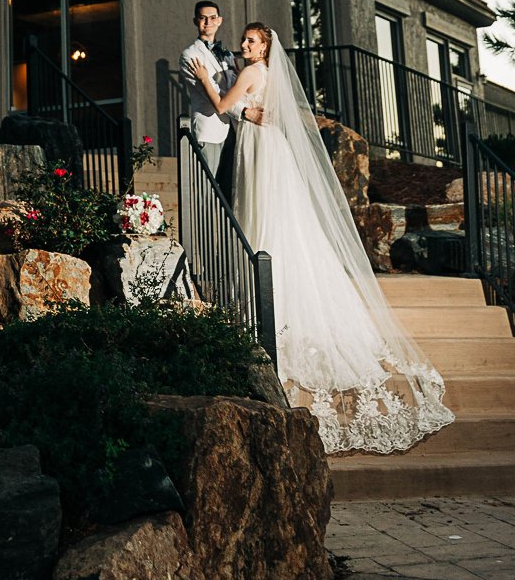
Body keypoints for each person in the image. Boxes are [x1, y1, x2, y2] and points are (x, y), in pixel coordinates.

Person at [188, 22, 454, 455]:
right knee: (280, 219)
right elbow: (264, 112)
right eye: (244, 41)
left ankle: (265, 301)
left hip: (258, 150)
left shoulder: (253, 73)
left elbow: (221, 107)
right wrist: (250, 112)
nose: (244, 46)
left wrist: (206, 82)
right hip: (270, 148)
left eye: (251, 42)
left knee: (260, 218)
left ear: (265, 47)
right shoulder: (270, 75)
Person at [179, 1, 238, 185]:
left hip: (233, 130)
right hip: (210, 131)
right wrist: (244, 112)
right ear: (195, 21)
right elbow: (213, 94)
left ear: (219, 21)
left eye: (212, 18)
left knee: (230, 189)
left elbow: (236, 88)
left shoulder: (228, 54)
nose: (208, 22)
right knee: (208, 190)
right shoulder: (190, 55)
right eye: (203, 18)